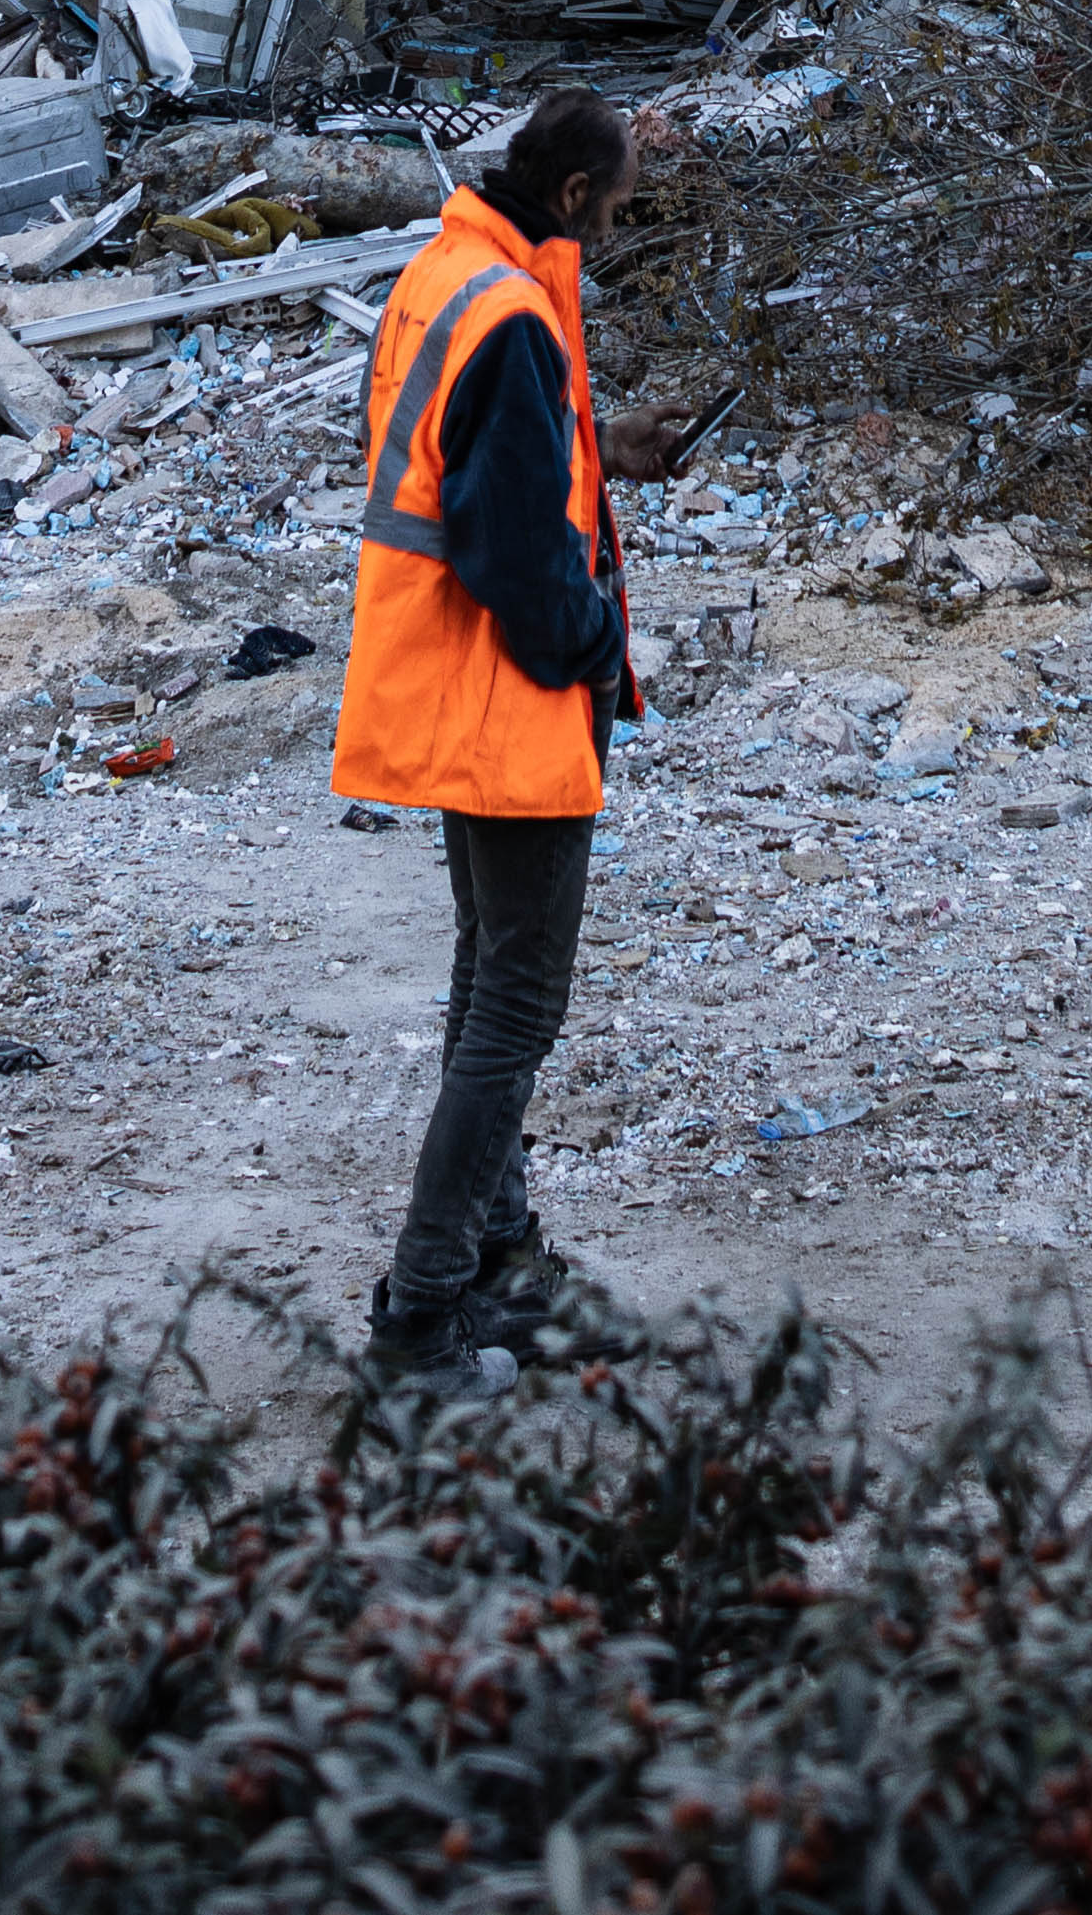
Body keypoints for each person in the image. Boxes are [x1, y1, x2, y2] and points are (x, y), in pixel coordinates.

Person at [325, 94, 694, 1378]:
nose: (623, 223)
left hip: (450, 681)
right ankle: (423, 1317)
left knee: (490, 986)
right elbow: (516, 548)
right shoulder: (512, 314)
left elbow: (479, 465)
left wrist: (604, 446)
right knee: (514, 1011)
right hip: (508, 698)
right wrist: (596, 646)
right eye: (621, 202)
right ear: (576, 193)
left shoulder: (452, 273)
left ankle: (500, 1262)